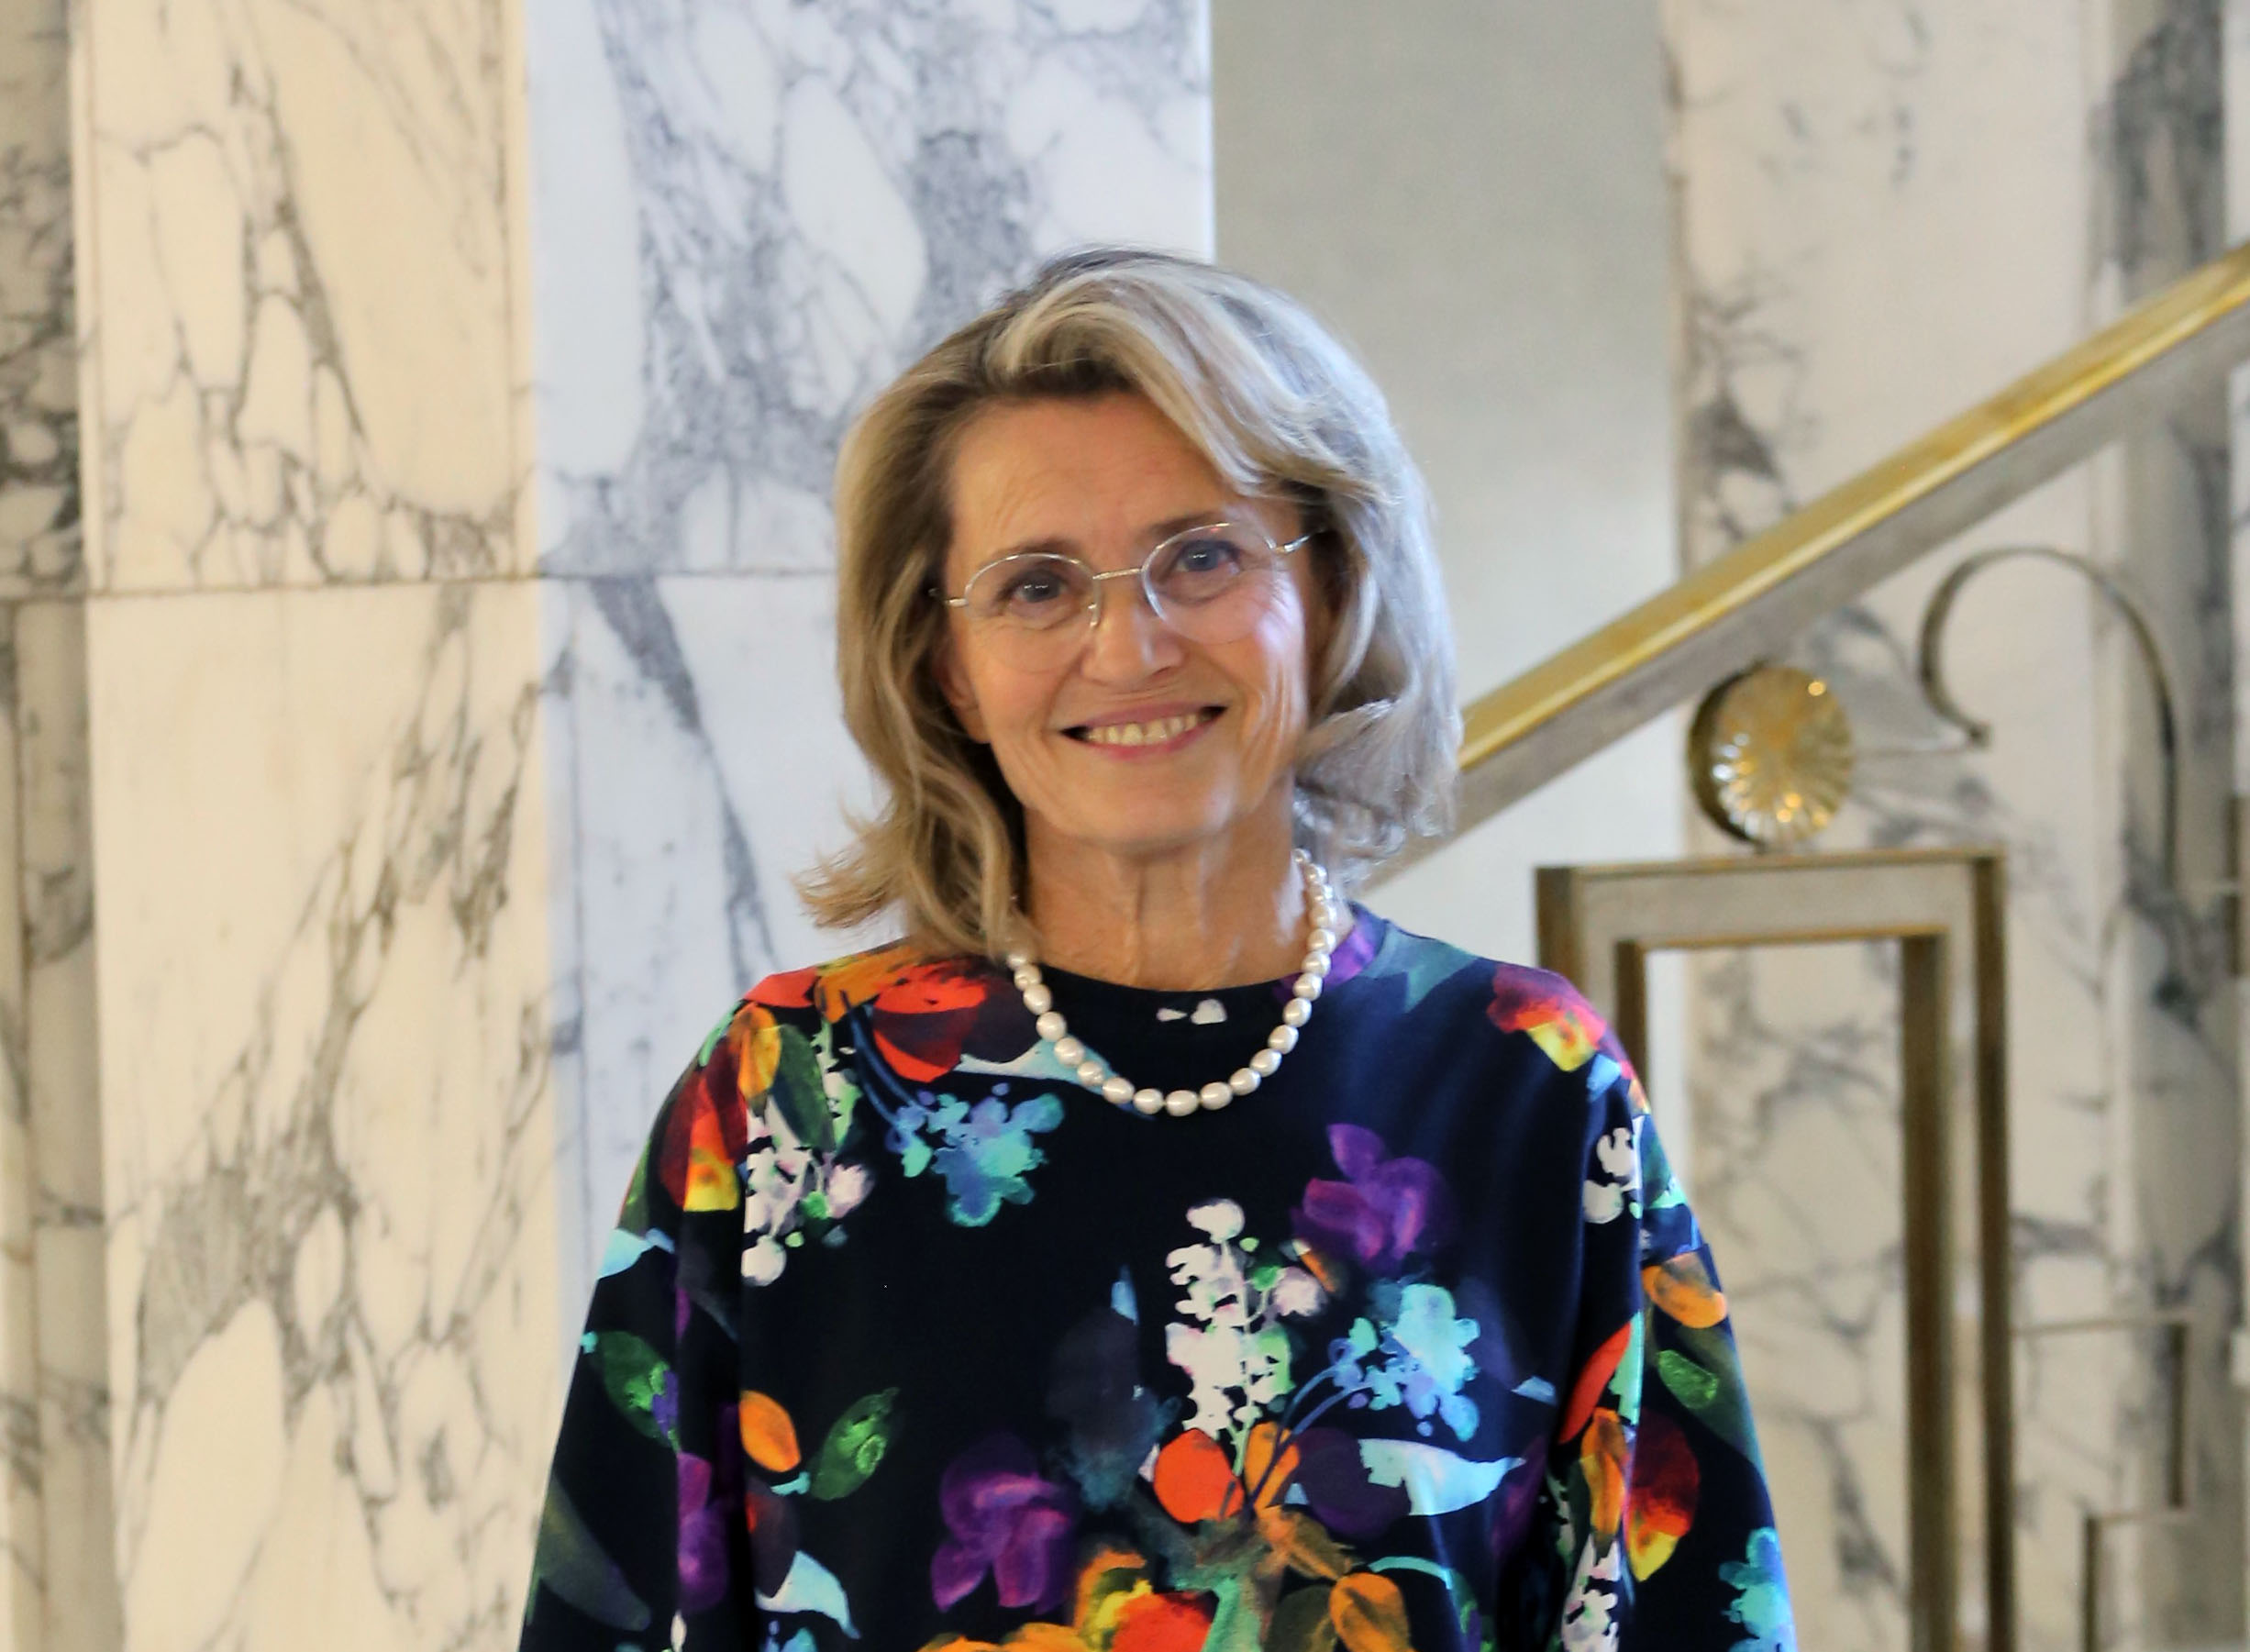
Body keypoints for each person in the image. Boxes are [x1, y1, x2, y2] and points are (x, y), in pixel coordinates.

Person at [518, 249, 1796, 1652]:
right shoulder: (786, 1100)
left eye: (1201, 557)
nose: (1127, 648)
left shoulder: (1524, 1086)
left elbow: (1686, 1612)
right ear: (945, 667)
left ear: (1331, 594)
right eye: (1035, 585)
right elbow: (608, 1616)